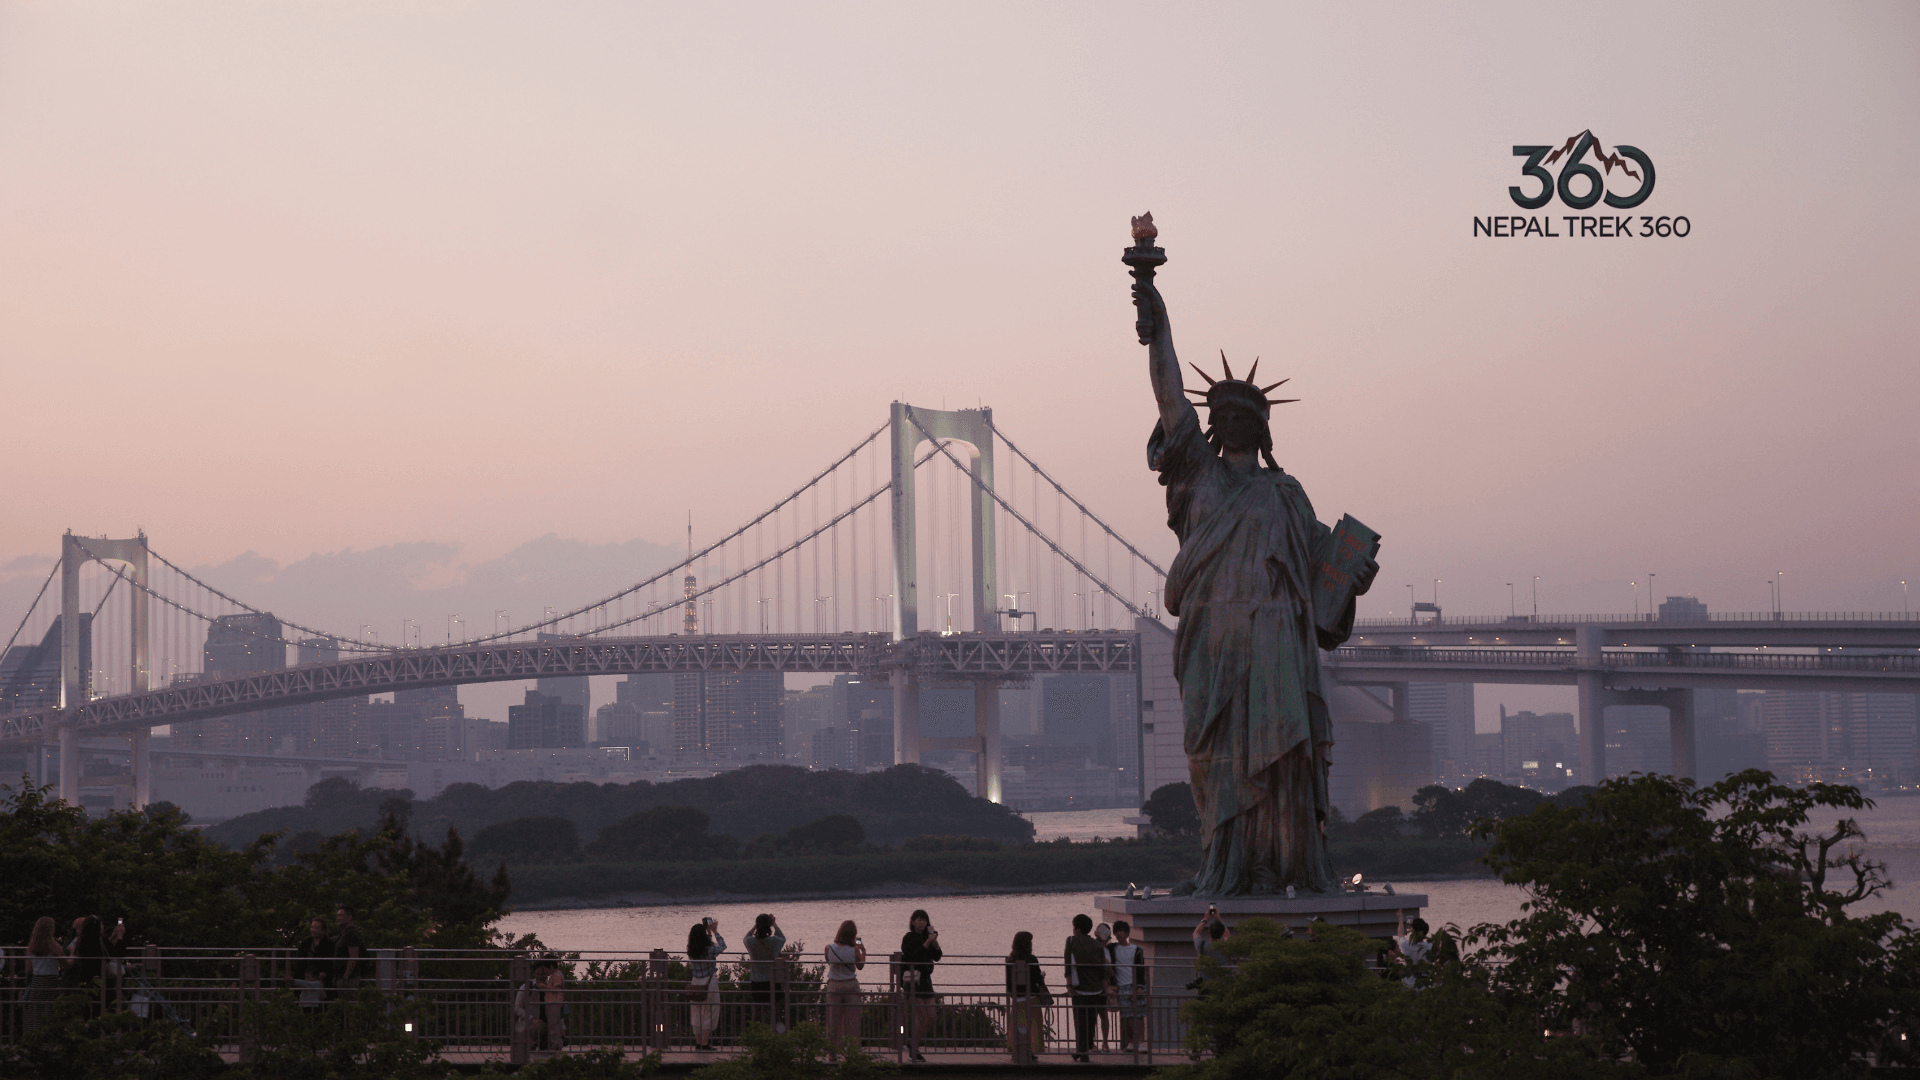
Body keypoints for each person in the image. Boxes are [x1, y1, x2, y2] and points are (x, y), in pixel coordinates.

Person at [1128, 225, 1378, 897]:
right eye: (1225, 411)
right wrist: (1156, 312)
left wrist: (1353, 578)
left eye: (1247, 413)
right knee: (1214, 755)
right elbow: (1168, 391)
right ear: (1212, 424)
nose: (1234, 419)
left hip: (1275, 646)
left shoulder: (1286, 494)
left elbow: (1326, 598)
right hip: (1212, 641)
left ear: (1263, 427)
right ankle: (1225, 861)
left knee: (1287, 757)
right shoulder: (1196, 479)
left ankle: (1286, 863)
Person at [1063, 913, 1109, 1062]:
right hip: (1096, 989)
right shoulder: (1097, 945)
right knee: (1090, 1020)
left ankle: (1083, 1052)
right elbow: (1102, 970)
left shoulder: (1071, 941)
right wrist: (1105, 990)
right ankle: (1083, 1049)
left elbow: (1068, 966)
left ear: (1077, 929)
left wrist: (1069, 985)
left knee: (1079, 1021)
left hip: (1079, 988)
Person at [899, 909, 943, 1063]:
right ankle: (914, 1049)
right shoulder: (909, 938)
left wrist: (934, 942)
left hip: (926, 981)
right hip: (913, 981)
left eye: (924, 920)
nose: (922, 923)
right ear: (912, 922)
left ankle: (911, 1043)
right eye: (918, 920)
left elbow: (937, 957)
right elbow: (913, 955)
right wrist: (926, 943)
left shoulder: (927, 938)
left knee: (931, 1016)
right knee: (920, 1016)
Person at [822, 920, 866, 1057]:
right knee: (853, 1022)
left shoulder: (829, 948)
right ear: (853, 935)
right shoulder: (854, 950)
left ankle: (832, 1055)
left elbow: (829, 962)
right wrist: (863, 951)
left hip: (834, 986)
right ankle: (853, 1054)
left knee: (832, 1022)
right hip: (851, 985)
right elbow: (860, 966)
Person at [1003, 931, 1049, 1060]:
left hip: (1017, 999)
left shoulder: (1010, 960)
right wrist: (1042, 977)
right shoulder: (1032, 960)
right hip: (1032, 998)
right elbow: (1037, 980)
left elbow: (1008, 984)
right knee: (1033, 1025)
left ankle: (1015, 1049)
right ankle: (1031, 1051)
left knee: (1017, 1025)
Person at [686, 918, 727, 1052]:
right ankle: (705, 1044)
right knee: (709, 1013)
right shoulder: (710, 949)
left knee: (696, 1014)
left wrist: (707, 932)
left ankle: (698, 1044)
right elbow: (722, 946)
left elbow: (702, 943)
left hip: (695, 982)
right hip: (709, 983)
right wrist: (715, 931)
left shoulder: (691, 950)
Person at [743, 913, 788, 1033]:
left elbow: (745, 937)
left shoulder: (751, 942)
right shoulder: (774, 941)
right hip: (772, 981)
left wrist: (755, 926)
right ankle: (778, 1035)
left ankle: (755, 1036)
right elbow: (782, 938)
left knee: (757, 1012)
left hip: (757, 982)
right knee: (777, 1011)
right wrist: (774, 924)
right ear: (769, 926)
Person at [1110, 920, 1148, 1054]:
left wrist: (1139, 987)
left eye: (1122, 931)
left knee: (1138, 1016)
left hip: (1134, 985)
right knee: (1126, 1018)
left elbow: (1140, 970)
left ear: (1127, 933)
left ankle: (1140, 1043)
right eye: (1116, 931)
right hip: (1121, 986)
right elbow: (1100, 943)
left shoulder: (1136, 950)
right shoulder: (1112, 948)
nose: (1119, 934)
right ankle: (1132, 1042)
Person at [23, 916, 63, 1032]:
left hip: (37, 980)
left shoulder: (32, 947)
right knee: (50, 1010)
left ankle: (31, 1037)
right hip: (51, 980)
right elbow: (65, 964)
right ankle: (49, 1038)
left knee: (35, 1011)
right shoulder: (54, 946)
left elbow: (28, 970)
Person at [292, 916, 334, 1011]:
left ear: (323, 930)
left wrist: (324, 972)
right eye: (312, 927)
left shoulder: (329, 945)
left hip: (321, 979)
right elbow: (299, 961)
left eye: (316, 927)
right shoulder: (306, 943)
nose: (312, 930)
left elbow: (331, 963)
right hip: (305, 976)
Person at [1190, 909, 1230, 991]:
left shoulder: (1202, 945)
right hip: (1222, 987)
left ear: (1208, 932)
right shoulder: (1226, 946)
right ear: (1222, 933)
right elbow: (1227, 935)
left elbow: (1196, 933)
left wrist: (1205, 919)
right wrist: (1219, 919)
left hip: (1205, 987)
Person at [1393, 910, 1432, 989]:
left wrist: (1400, 918)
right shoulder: (1429, 947)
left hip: (1408, 984)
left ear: (1413, 931)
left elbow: (1400, 934)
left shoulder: (1407, 946)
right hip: (1425, 984)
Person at [536, 955, 567, 1050]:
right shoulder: (555, 975)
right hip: (552, 1003)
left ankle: (556, 1045)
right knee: (553, 1024)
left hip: (554, 1003)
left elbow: (557, 989)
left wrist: (543, 987)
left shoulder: (557, 975)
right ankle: (555, 1044)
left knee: (553, 1025)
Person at [333, 906, 366, 993]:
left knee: (348, 1003)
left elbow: (354, 956)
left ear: (349, 917)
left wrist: (346, 976)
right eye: (337, 915)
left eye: (341, 916)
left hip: (348, 979)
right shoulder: (344, 933)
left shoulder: (352, 934)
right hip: (341, 976)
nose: (338, 918)